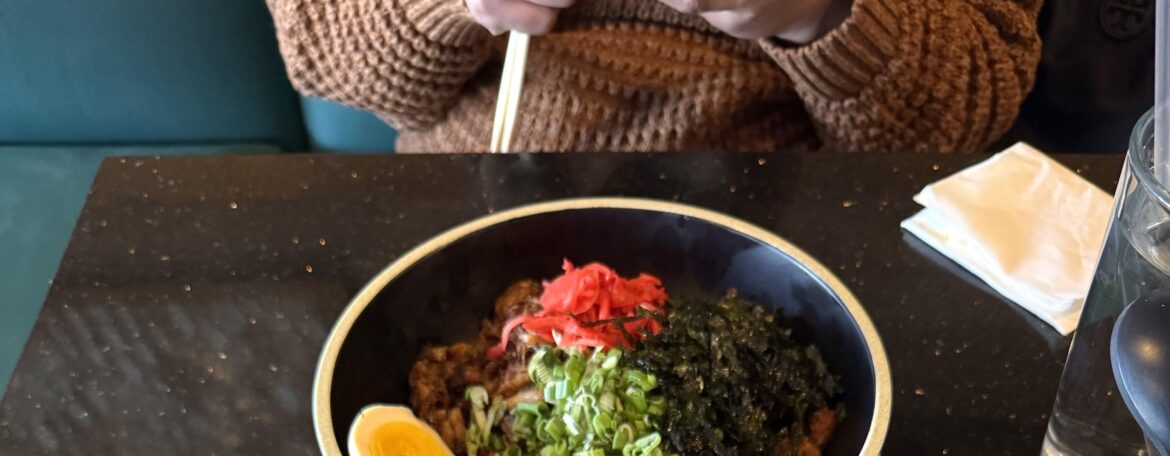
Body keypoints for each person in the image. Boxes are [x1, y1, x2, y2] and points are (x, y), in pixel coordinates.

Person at [267, 0, 1043, 154]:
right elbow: (328, 60)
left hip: (792, 233)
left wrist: (821, 13)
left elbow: (964, 110)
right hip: (479, 205)